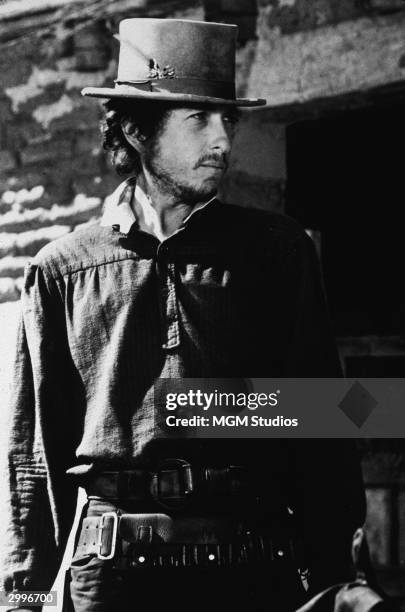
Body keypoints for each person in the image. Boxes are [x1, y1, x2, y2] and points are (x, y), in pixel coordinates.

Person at [1, 18, 366, 612]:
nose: (222, 139)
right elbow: (34, 453)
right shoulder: (61, 270)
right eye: (199, 119)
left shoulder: (277, 251)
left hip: (251, 570)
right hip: (111, 578)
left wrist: (337, 579)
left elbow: (326, 419)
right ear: (137, 131)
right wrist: (26, 594)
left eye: (229, 119)